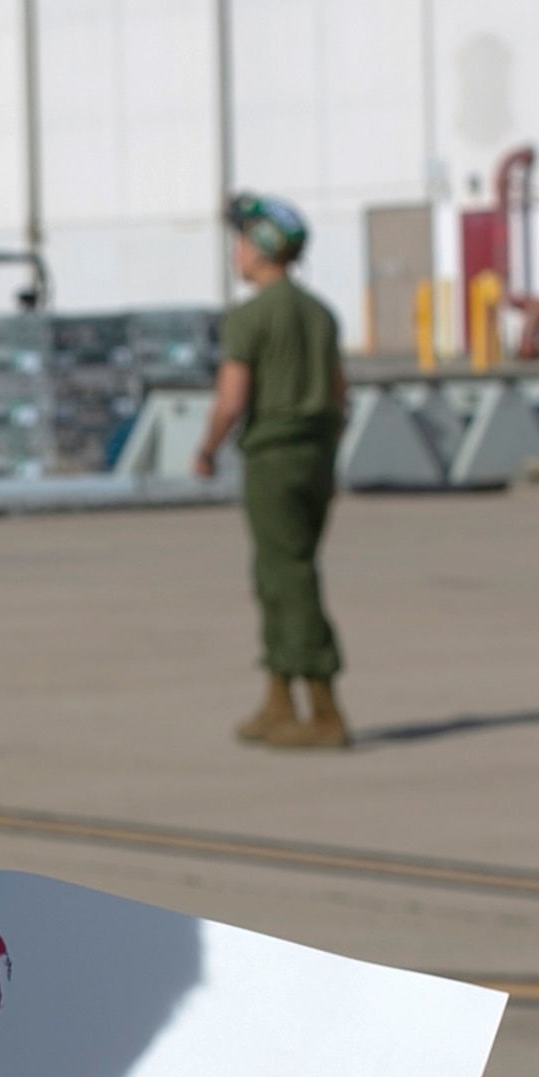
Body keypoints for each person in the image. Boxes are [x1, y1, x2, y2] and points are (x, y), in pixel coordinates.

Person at [193, 192, 351, 750]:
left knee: (289, 577)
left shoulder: (250, 318)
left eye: (241, 243)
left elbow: (232, 400)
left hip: (273, 456)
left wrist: (207, 447)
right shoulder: (321, 314)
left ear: (261, 250)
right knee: (278, 573)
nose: (236, 253)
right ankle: (279, 697)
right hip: (315, 455)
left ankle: (325, 708)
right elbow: (339, 395)